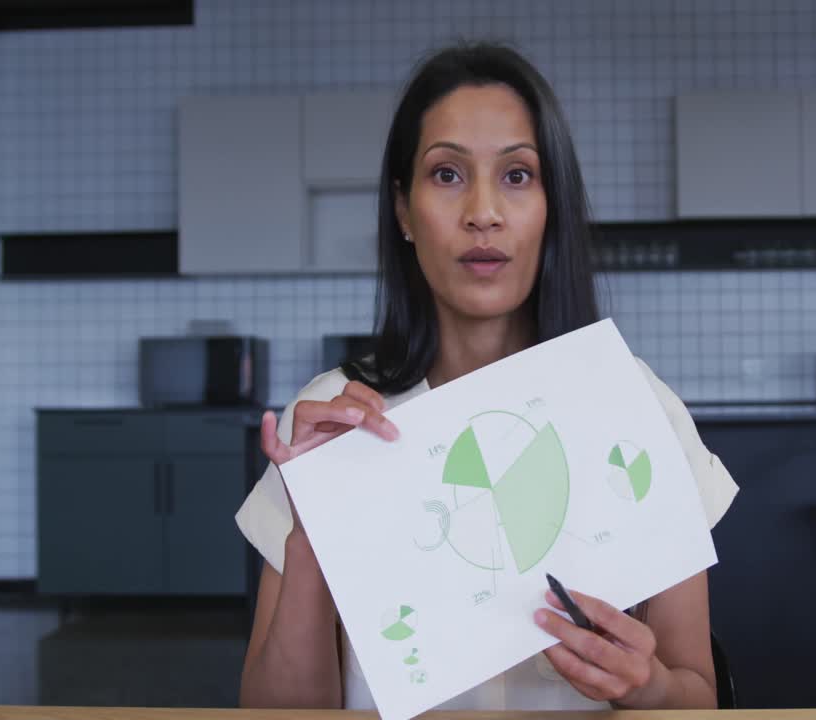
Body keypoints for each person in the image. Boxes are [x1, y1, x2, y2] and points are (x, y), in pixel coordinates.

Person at [234, 42, 738, 711]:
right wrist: (310, 541)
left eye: (517, 176)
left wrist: (646, 687)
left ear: (551, 206)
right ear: (404, 212)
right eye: (446, 175)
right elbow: (273, 714)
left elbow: (697, 696)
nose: (483, 212)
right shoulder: (332, 418)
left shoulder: (636, 406)